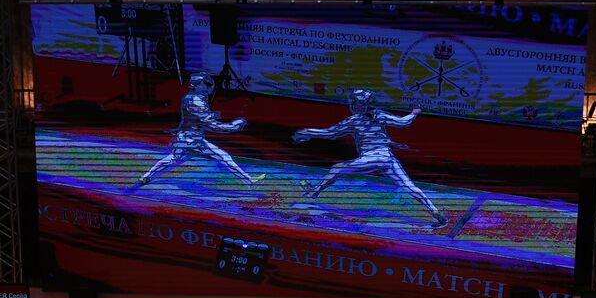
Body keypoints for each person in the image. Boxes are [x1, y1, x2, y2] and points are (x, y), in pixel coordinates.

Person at [292, 87, 447, 227]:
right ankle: (436, 214)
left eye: (354, 102)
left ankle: (313, 194)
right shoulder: (378, 115)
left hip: (372, 158)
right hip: (387, 159)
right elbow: (402, 122)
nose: (351, 104)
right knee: (409, 187)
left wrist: (306, 132)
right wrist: (414, 113)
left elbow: (330, 133)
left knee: (337, 168)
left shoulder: (355, 120)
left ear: (361, 104)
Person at [134, 74, 264, 187]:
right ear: (197, 85)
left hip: (184, 137)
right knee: (223, 157)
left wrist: (178, 132)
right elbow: (211, 125)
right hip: (193, 140)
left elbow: (188, 119)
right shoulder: (197, 101)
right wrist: (234, 126)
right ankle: (249, 180)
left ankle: (146, 177)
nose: (208, 87)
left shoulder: (189, 97)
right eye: (204, 84)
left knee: (172, 158)